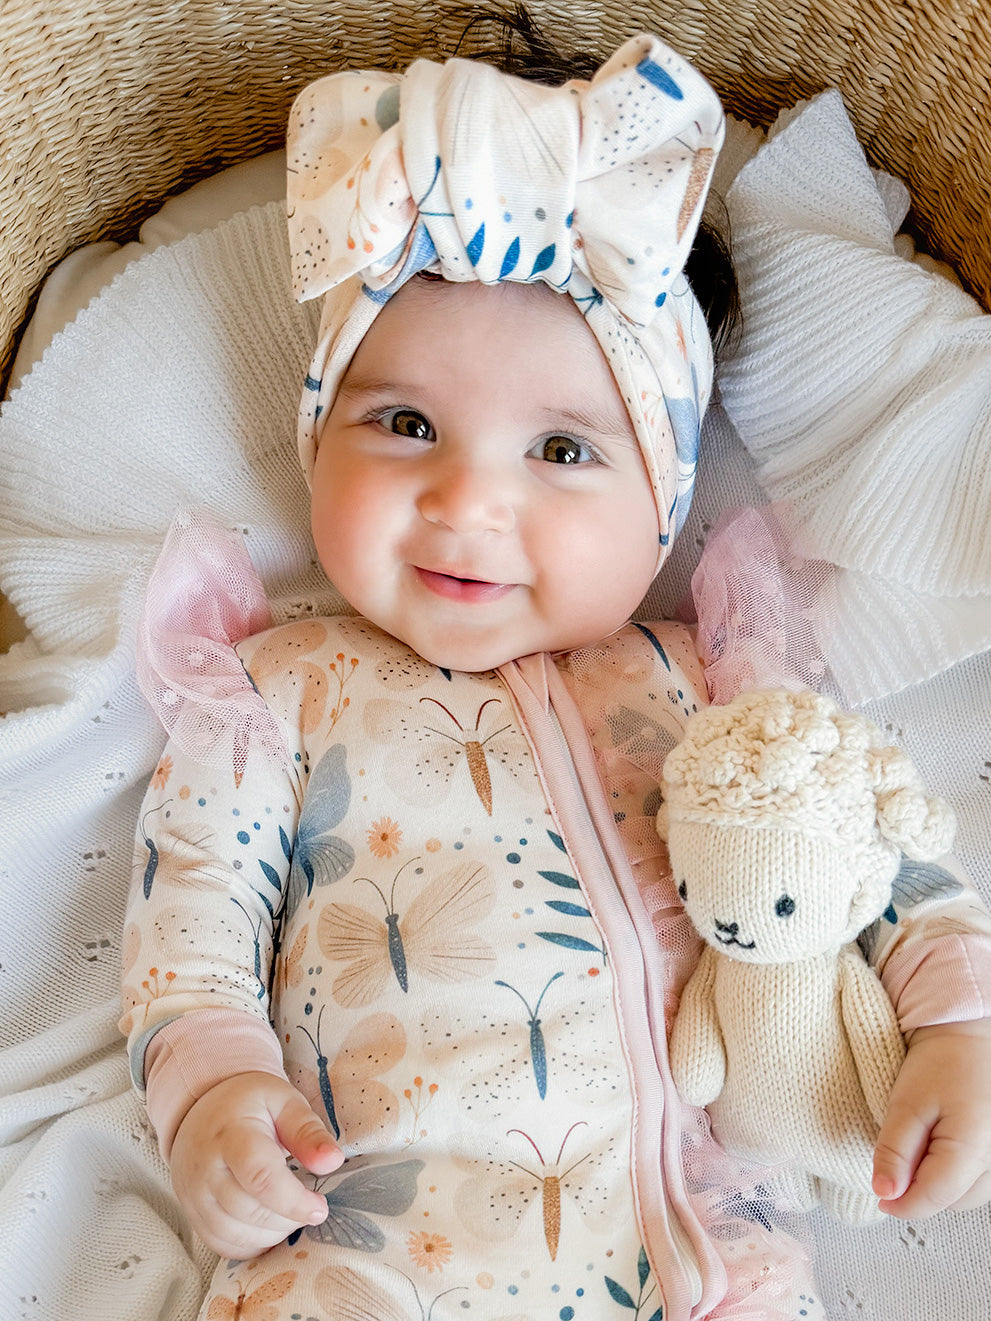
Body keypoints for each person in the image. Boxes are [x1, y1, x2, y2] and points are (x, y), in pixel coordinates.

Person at [120, 13, 991, 1320]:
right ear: (314, 443)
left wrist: (956, 1025)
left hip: (713, 1261)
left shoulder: (715, 683)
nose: (468, 499)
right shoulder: (279, 686)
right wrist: (214, 1097)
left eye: (565, 450)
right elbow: (190, 927)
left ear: (667, 501)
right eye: (403, 422)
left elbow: (870, 843)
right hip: (367, 1252)